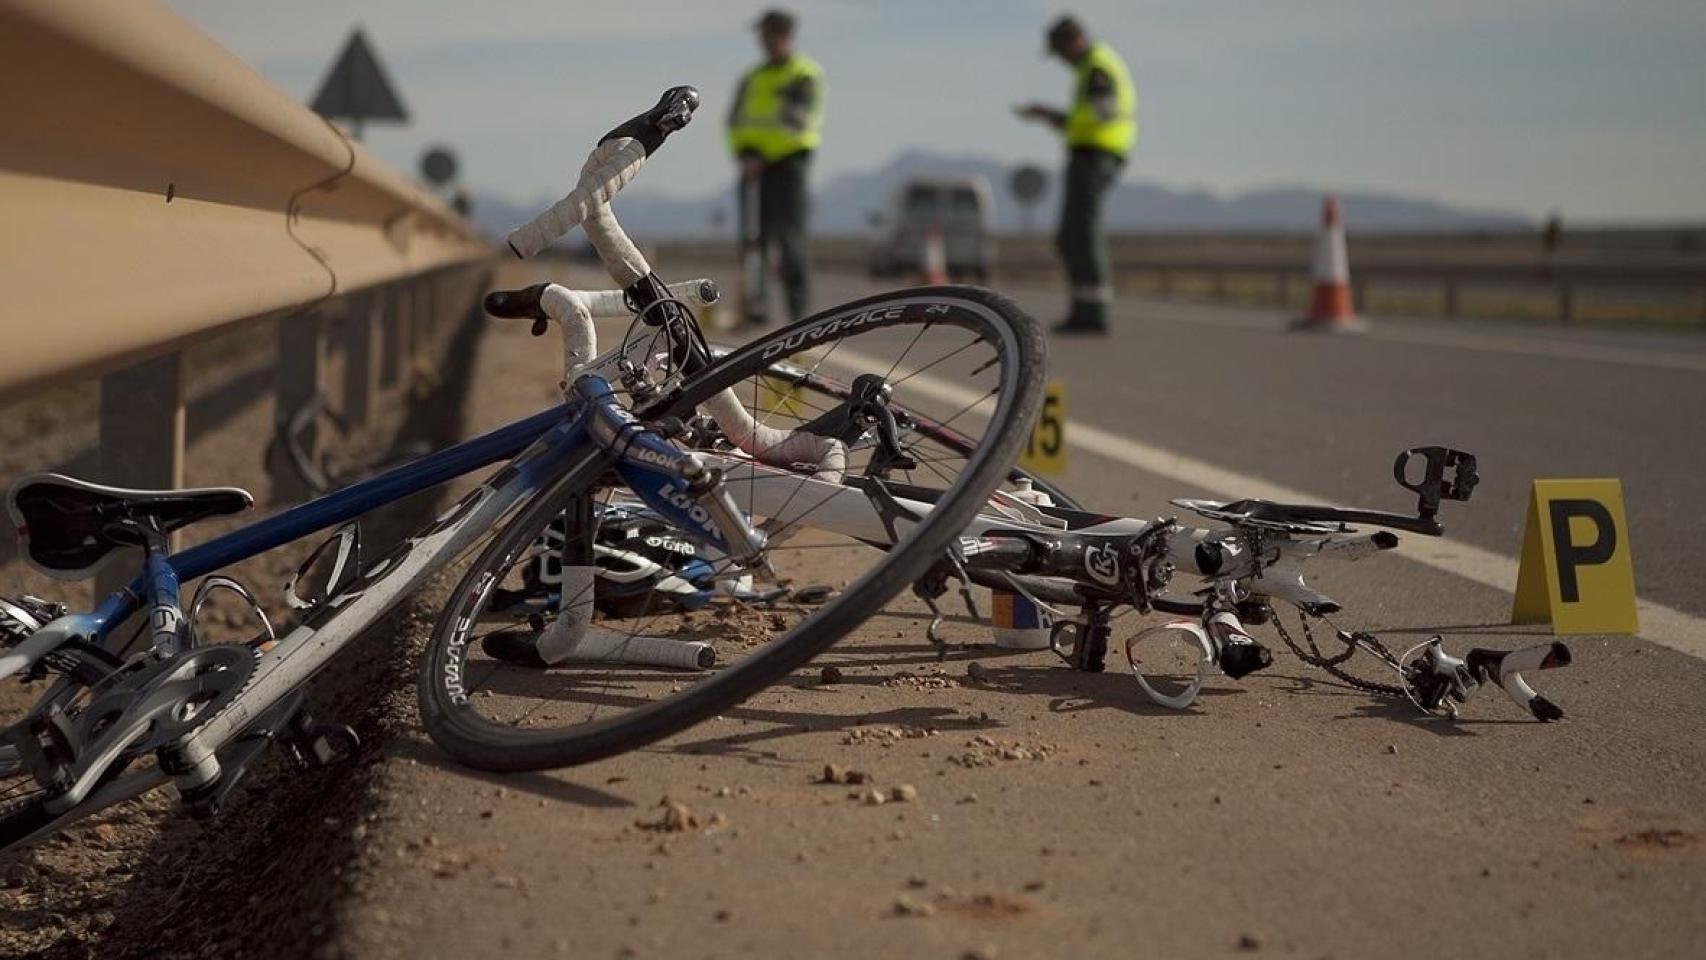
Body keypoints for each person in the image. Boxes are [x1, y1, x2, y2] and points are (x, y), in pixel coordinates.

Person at [1015, 15, 1137, 334]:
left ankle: (1092, 312)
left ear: (1073, 42)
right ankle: (1085, 309)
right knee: (1072, 235)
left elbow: (1101, 115)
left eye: (1059, 51)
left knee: (1081, 232)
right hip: (1091, 152)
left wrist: (1054, 117)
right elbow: (1090, 116)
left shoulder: (1097, 66)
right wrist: (1053, 117)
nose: (1060, 60)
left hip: (1096, 154)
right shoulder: (1091, 67)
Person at [727, 9, 823, 327]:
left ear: (782, 35)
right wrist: (745, 154)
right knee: (754, 241)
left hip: (788, 165)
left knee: (790, 240)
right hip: (752, 167)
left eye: (767, 34)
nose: (762, 41)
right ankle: (757, 309)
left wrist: (764, 156)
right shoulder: (752, 78)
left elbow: (798, 122)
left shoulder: (803, 75)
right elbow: (735, 121)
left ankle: (798, 315)